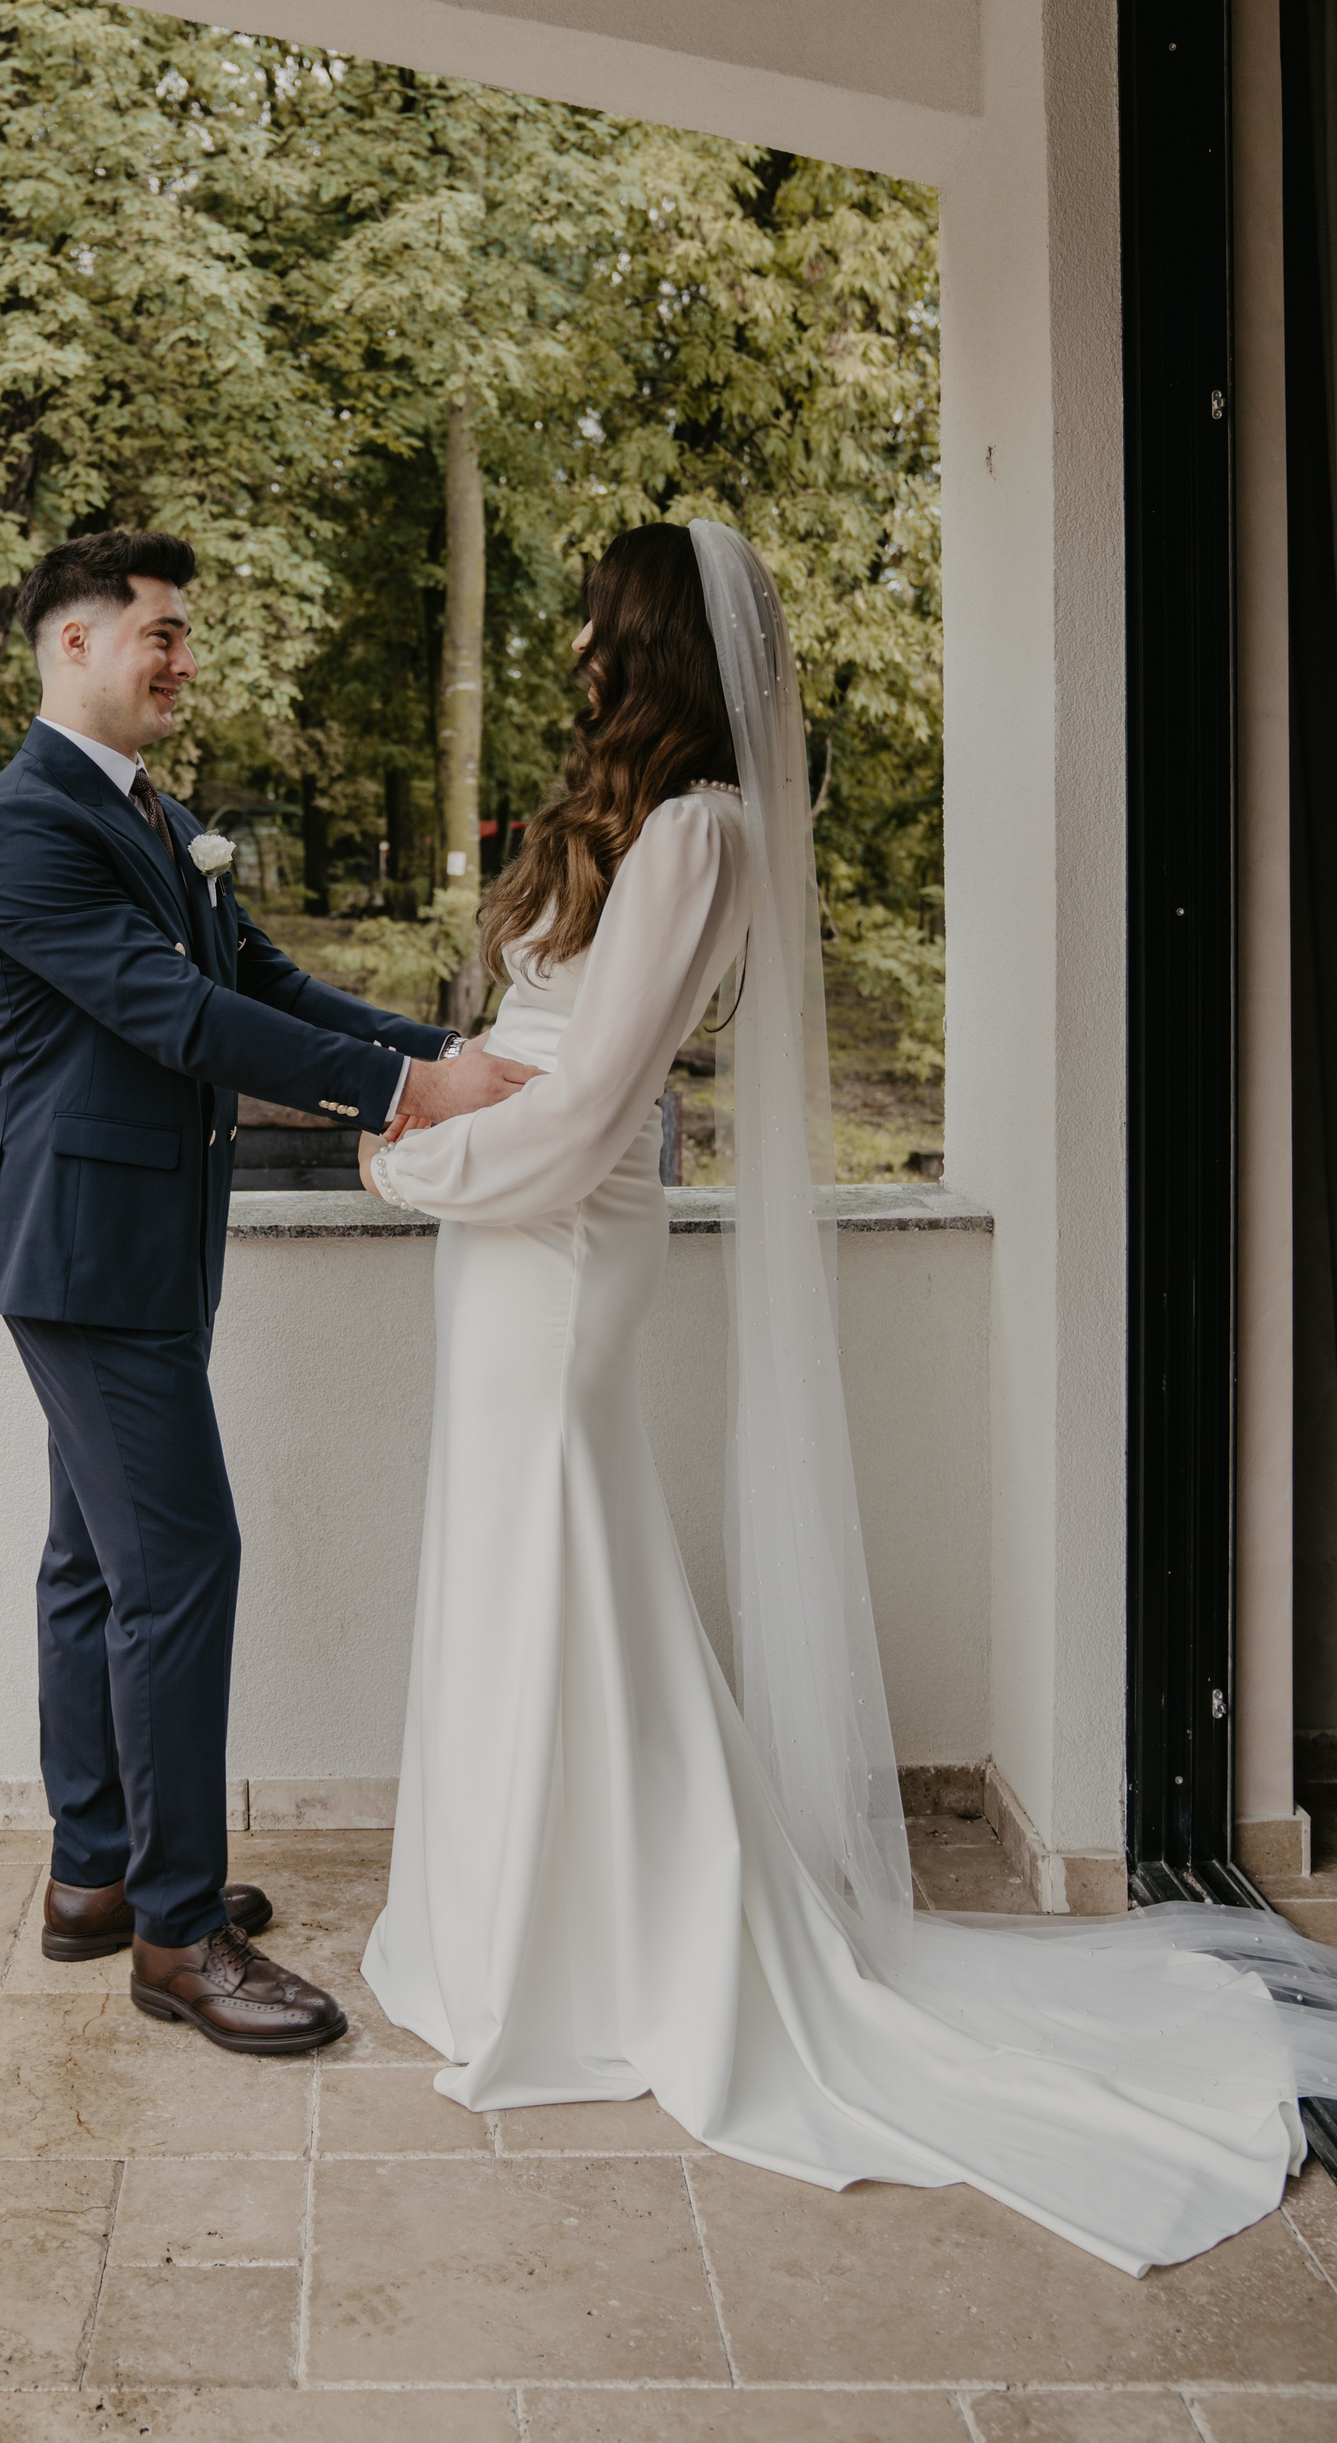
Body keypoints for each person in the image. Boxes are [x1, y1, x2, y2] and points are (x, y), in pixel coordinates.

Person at [359, 516, 1337, 2273]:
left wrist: (407, 1167)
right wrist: (431, 1093)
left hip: (557, 1236)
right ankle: (535, 1921)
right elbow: (536, 1052)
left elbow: (596, 1102)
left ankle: (594, 1948)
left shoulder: (698, 830)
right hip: (513, 1230)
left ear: (650, 638)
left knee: (554, 1563)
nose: (577, 646)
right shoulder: (646, 822)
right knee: (532, 1567)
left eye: (598, 620)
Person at [0, 527, 534, 2056]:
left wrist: (438, 1053)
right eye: (160, 631)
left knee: (96, 1564)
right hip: (88, 1256)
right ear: (73, 644)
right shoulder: (24, 829)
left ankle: (96, 1877)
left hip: (144, 1246)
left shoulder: (153, 812)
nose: (183, 658)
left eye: (182, 634)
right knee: (178, 1563)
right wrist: (401, 1095)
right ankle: (178, 1936)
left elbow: (260, 979)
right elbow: (174, 1015)